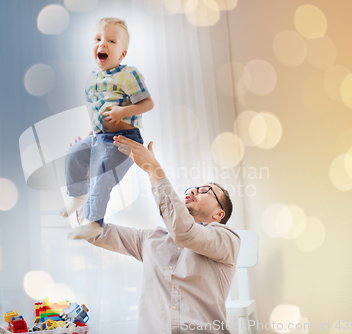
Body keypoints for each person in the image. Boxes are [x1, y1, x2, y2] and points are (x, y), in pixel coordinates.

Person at [84, 135, 241, 334]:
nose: (193, 191)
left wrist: (153, 169)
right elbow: (93, 233)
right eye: (192, 189)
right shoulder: (151, 240)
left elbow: (184, 232)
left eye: (204, 191)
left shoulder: (227, 239)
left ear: (219, 214)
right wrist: (90, 183)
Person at [60, 17, 154, 240]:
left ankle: (94, 222)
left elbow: (147, 103)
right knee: (73, 154)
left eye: (111, 41)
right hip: (99, 137)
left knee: (103, 173)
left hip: (124, 139)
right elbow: (95, 111)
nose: (103, 44)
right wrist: (90, 136)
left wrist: (122, 112)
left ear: (122, 54)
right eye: (98, 39)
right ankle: (78, 194)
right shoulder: (92, 78)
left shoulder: (129, 74)